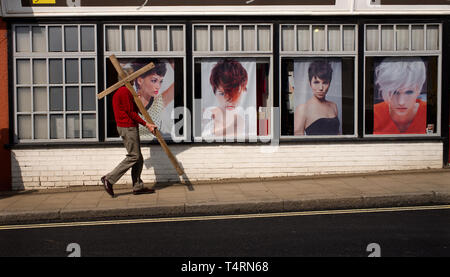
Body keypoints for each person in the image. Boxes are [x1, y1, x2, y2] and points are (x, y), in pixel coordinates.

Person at [101, 84, 157, 198]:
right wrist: (146, 124)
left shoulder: (124, 92)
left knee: (138, 158)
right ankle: (109, 179)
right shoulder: (124, 91)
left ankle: (138, 186)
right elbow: (131, 112)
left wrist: (137, 98)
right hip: (128, 127)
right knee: (134, 156)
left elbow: (134, 109)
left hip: (127, 127)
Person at [373, 57, 427, 134]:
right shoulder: (374, 114)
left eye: (409, 92)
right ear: (385, 88)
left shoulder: (431, 113)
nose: (401, 102)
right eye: (394, 92)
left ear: (419, 89)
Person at [202, 59, 248, 137]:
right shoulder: (206, 114)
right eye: (222, 93)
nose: (228, 99)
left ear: (243, 90)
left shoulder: (241, 120)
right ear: (215, 92)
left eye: (234, 93)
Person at [294, 60, 340, 136]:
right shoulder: (302, 109)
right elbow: (298, 142)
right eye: (316, 82)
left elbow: (338, 134)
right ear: (310, 83)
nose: (321, 88)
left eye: (325, 82)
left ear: (330, 83)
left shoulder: (333, 106)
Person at [132, 59, 175, 138]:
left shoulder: (157, 103)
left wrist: (172, 58)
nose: (158, 86)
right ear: (140, 80)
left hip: (155, 146)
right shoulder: (128, 102)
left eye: (160, 81)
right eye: (154, 80)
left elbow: (182, 81)